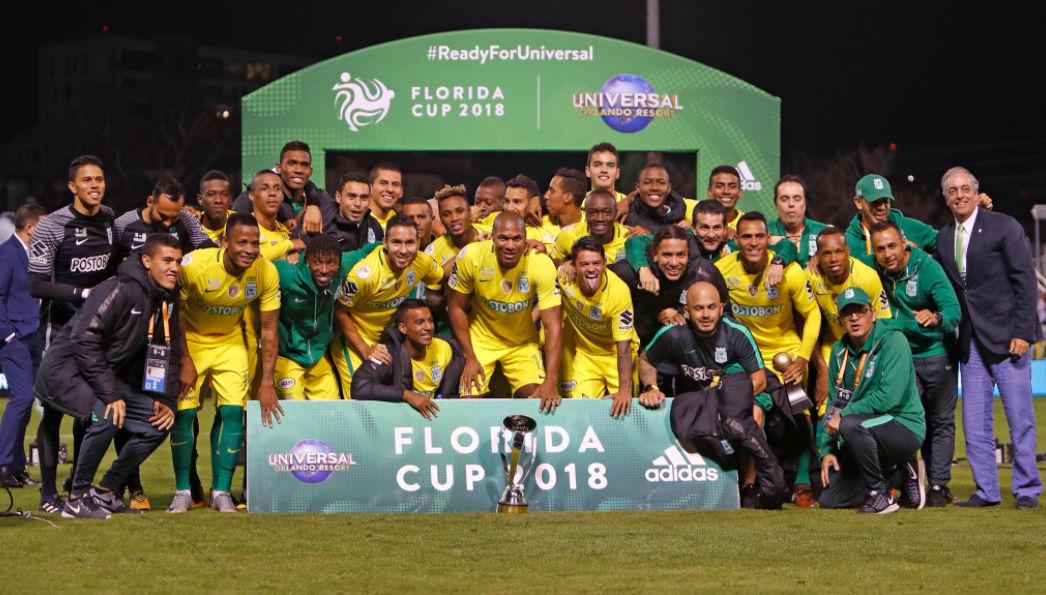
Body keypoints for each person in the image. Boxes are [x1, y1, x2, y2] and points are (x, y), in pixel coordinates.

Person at [34, 234, 182, 519]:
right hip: (65, 371)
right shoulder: (120, 288)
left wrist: (164, 399)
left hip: (96, 374)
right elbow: (84, 339)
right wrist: (110, 394)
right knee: (108, 413)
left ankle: (106, 492)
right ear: (146, 261)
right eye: (167, 260)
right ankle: (77, 498)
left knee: (158, 424)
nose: (174, 267)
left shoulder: (161, 297)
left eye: (177, 261)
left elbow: (165, 351)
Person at [935, 166, 1041, 509]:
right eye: (953, 190)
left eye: (966, 188)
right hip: (970, 343)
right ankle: (986, 491)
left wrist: (1024, 332)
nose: (960, 194)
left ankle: (1027, 491)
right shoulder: (943, 236)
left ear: (976, 191)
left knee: (1019, 420)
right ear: (946, 197)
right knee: (975, 424)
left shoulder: (1004, 226)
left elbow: (1024, 281)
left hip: (1009, 339)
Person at [168, 212, 281, 513]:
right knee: (183, 415)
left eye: (255, 243)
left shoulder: (265, 272)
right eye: (241, 242)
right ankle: (182, 491)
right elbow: (174, 314)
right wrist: (184, 360)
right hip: (191, 340)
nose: (249, 249)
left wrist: (267, 381)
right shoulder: (195, 266)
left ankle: (222, 492)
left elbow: (269, 329)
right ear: (224, 241)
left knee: (233, 413)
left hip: (230, 342)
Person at [639, 281, 787, 508]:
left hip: (744, 393)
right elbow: (647, 360)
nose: (705, 314)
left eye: (711, 307)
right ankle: (713, 482)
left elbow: (758, 379)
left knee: (750, 417)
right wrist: (651, 387)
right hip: (700, 397)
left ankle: (749, 485)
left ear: (721, 308)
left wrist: (725, 400)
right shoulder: (674, 334)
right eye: (698, 308)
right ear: (686, 312)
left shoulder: (737, 333)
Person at [29, 154, 117, 510]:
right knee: (53, 413)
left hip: (98, 334)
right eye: (87, 180)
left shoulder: (110, 219)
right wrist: (83, 294)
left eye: (99, 179)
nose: (95, 186)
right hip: (59, 330)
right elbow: (36, 285)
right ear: (72, 186)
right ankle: (48, 492)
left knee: (90, 412)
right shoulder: (51, 226)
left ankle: (75, 486)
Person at [871, 220, 961, 506]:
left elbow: (953, 311)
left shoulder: (928, 268)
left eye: (892, 246)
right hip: (904, 360)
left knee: (940, 422)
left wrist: (935, 318)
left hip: (936, 356)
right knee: (905, 423)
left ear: (904, 243)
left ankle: (938, 485)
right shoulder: (874, 268)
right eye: (881, 248)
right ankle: (909, 480)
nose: (888, 253)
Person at [818, 287, 926, 513]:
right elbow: (834, 403)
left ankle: (881, 494)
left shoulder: (894, 340)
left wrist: (845, 416)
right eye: (847, 313)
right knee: (830, 500)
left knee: (850, 423)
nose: (854, 317)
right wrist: (827, 449)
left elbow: (890, 398)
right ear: (840, 320)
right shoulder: (839, 351)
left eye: (860, 310)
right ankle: (897, 475)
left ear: (873, 313)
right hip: (862, 431)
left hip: (903, 425)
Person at [447, 212, 562, 411]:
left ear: (525, 239)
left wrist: (551, 380)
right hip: (481, 341)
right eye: (503, 238)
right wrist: (470, 357)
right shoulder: (472, 255)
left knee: (536, 403)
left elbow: (552, 324)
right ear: (492, 236)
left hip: (522, 344)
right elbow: (455, 306)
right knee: (468, 408)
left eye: (517, 238)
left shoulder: (540, 263)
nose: (510, 245)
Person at [332, 215, 442, 398]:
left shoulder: (422, 262)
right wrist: (365, 349)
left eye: (410, 243)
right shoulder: (364, 275)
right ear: (385, 243)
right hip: (355, 341)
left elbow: (441, 275)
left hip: (388, 341)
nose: (403, 250)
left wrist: (467, 251)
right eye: (396, 242)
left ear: (418, 242)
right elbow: (339, 311)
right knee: (360, 397)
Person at [275, 234, 375, 400]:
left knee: (331, 412)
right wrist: (286, 249)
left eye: (330, 263)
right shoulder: (287, 273)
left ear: (338, 264)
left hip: (318, 356)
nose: (323, 269)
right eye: (317, 262)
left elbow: (367, 250)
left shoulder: (342, 268)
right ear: (307, 260)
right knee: (293, 413)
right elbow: (258, 265)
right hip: (286, 355)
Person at [806, 227, 892, 408]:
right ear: (817, 257)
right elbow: (805, 322)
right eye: (826, 253)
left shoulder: (867, 277)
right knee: (827, 409)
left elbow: (884, 323)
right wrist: (822, 370)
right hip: (834, 347)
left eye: (838, 252)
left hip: (866, 350)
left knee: (864, 408)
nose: (833, 259)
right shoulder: (811, 277)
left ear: (848, 252)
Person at [609, 225, 727, 348]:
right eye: (667, 255)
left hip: (685, 349)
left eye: (681, 255)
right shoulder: (629, 273)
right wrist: (642, 269)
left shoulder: (706, 275)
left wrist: (684, 316)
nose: (674, 263)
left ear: (688, 254)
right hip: (633, 343)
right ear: (655, 254)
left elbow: (725, 314)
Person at [555, 236, 636, 414]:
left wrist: (624, 390)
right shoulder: (564, 279)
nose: (591, 269)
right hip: (587, 355)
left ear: (605, 263)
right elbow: (550, 265)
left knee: (625, 409)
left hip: (617, 355)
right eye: (584, 264)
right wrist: (562, 264)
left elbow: (623, 347)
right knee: (581, 412)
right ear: (573, 265)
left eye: (597, 263)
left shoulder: (619, 291)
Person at [0, 204, 47, 489]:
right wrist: (8, 335)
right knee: (21, 399)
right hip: (15, 338)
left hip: (32, 335)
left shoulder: (33, 254)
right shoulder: (6, 254)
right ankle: (3, 463)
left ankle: (16, 468)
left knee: (26, 403)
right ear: (31, 228)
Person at [351, 299, 464, 417]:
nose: (428, 327)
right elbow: (360, 387)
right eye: (420, 322)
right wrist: (407, 395)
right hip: (401, 420)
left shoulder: (444, 348)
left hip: (436, 418)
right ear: (403, 328)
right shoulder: (388, 353)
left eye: (430, 321)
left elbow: (453, 385)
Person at [231, 140, 329, 233]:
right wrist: (274, 227)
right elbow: (234, 230)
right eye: (292, 163)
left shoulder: (321, 199)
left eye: (304, 165)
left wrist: (313, 204)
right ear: (279, 168)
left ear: (310, 171)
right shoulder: (252, 199)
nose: (299, 170)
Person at [845, 174, 937, 266]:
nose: (881, 207)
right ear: (858, 202)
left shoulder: (910, 227)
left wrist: (923, 258)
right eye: (875, 202)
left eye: (885, 201)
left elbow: (947, 247)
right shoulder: (848, 242)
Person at [113, 177, 213, 262]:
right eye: (163, 216)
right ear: (150, 202)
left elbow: (211, 252)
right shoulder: (123, 224)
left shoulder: (187, 219)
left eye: (174, 217)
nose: (168, 223)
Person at [551, 189, 629, 265]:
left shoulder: (628, 238)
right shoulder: (570, 235)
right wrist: (567, 264)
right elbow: (552, 262)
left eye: (606, 212)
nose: (600, 218)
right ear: (585, 213)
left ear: (615, 213)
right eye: (593, 212)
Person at [767, 175, 829, 268]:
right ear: (775, 204)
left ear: (805, 204)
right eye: (784, 199)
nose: (791, 204)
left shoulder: (824, 232)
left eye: (797, 199)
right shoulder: (762, 233)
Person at [320, 171, 384, 252]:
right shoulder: (325, 224)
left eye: (364, 197)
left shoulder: (374, 225)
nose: (358, 203)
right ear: (338, 197)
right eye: (352, 197)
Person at [249, 170, 304, 262]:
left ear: (282, 197)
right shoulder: (244, 228)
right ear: (252, 196)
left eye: (277, 188)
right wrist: (290, 245)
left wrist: (294, 254)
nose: (272, 193)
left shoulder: (284, 229)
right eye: (265, 188)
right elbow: (250, 259)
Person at [624, 163, 687, 234]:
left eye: (661, 182)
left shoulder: (680, 208)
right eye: (647, 182)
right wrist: (648, 237)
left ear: (669, 188)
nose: (654, 187)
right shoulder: (628, 214)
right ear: (638, 188)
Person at [504, 174, 558, 253]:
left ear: (531, 204)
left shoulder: (554, 223)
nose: (509, 208)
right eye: (507, 201)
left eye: (517, 202)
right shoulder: (495, 222)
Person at [541, 168, 586, 249]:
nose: (546, 196)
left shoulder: (592, 227)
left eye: (552, 190)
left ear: (568, 197)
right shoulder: (539, 223)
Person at [197, 171, 233, 244]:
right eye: (211, 194)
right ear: (200, 199)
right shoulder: (190, 229)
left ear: (230, 199)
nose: (218, 200)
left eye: (224, 194)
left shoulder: (243, 224)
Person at [705, 165, 745, 230]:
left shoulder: (748, 223)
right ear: (709, 192)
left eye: (732, 186)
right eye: (719, 186)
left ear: (740, 193)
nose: (726, 191)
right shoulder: (694, 215)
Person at [368, 162, 404, 230]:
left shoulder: (403, 221)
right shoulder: (358, 221)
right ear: (370, 188)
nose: (390, 189)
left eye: (395, 184)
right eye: (383, 183)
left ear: (401, 191)